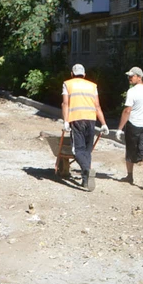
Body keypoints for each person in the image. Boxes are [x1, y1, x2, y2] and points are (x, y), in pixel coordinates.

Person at [61, 63, 110, 191]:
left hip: (76, 119)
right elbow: (97, 106)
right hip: (91, 120)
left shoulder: (67, 84)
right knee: (87, 151)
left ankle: (86, 170)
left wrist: (65, 121)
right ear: (84, 74)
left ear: (72, 74)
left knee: (77, 151)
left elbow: (65, 103)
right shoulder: (92, 86)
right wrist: (103, 123)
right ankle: (85, 180)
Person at [115, 66, 143, 189]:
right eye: (129, 76)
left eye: (131, 76)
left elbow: (127, 110)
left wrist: (119, 128)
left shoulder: (132, 92)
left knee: (130, 150)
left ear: (139, 77)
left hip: (133, 125)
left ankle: (129, 176)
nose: (129, 78)